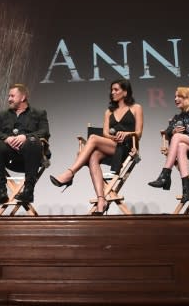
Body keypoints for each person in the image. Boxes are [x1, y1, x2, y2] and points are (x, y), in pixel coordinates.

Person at [49, 79, 143, 215]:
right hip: (112, 145)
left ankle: (70, 173)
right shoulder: (108, 112)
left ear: (125, 92)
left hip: (128, 148)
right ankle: (101, 200)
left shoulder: (136, 108)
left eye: (116, 90)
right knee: (93, 156)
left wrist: (127, 134)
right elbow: (105, 133)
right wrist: (113, 137)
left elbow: (139, 133)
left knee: (92, 138)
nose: (113, 92)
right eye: (111, 90)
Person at [147, 86, 189, 202]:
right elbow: (167, 132)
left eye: (179, 96)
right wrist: (173, 131)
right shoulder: (179, 117)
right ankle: (187, 187)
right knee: (180, 145)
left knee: (178, 137)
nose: (175, 99)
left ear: (188, 97)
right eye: (175, 97)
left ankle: (165, 175)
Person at [0, 83, 50, 204]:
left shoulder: (39, 113)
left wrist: (25, 137)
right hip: (10, 158)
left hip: (31, 157)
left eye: (12, 96)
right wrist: (7, 138)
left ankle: (28, 191)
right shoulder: (3, 114)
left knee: (32, 142)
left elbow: (45, 132)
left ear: (22, 97)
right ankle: (1, 191)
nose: (9, 99)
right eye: (9, 96)